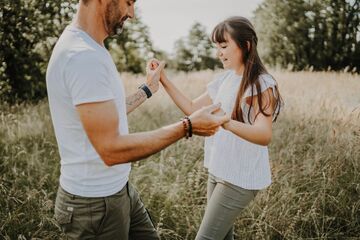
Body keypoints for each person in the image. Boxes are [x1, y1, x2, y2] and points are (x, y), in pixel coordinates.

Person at [46, 0, 229, 239]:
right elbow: (111, 150)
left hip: (119, 191)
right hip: (94, 205)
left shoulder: (91, 47)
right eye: (129, 2)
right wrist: (188, 126)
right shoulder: (82, 56)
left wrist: (147, 89)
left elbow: (106, 114)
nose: (132, 14)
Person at [152, 16, 283, 239]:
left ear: (246, 45)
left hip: (240, 176)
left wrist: (226, 122)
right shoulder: (224, 80)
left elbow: (264, 135)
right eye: (217, 47)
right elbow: (191, 107)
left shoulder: (261, 83)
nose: (218, 53)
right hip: (219, 169)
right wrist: (162, 79)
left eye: (224, 46)